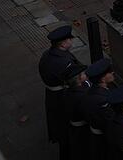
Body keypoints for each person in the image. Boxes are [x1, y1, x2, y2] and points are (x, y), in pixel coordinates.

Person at [38, 25, 79, 159]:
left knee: (59, 124)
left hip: (52, 95)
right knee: (67, 130)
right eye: (69, 39)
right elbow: (75, 81)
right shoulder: (64, 62)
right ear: (62, 43)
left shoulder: (46, 55)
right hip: (62, 96)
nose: (71, 41)